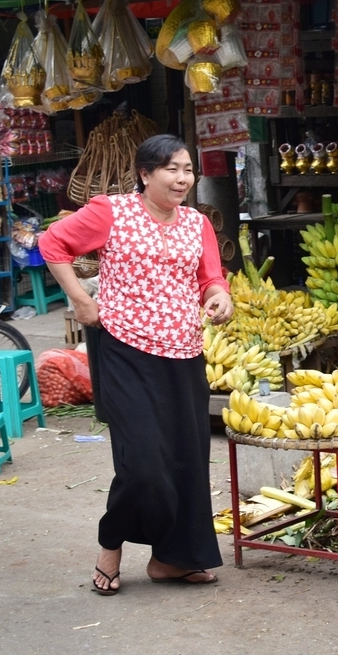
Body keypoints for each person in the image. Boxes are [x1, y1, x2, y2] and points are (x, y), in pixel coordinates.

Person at [39, 134, 233, 596]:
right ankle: (111, 544)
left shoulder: (197, 223)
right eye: (172, 169)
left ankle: (171, 560)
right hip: (125, 352)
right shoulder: (112, 211)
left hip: (184, 355)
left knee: (186, 461)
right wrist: (81, 299)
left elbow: (210, 276)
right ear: (145, 174)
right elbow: (53, 243)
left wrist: (219, 296)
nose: (183, 179)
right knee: (143, 463)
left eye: (188, 170)